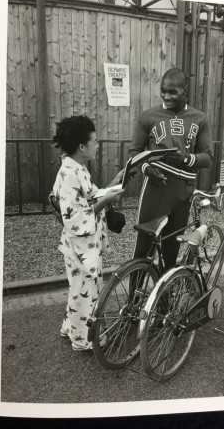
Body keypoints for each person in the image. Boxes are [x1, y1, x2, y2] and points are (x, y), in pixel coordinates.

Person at [52, 116, 124, 351]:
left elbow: (90, 195)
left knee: (80, 288)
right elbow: (76, 217)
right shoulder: (72, 173)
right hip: (79, 244)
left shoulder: (74, 168)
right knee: (85, 291)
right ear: (82, 147)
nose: (98, 145)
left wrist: (113, 184)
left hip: (81, 244)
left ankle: (70, 327)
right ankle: (83, 340)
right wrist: (106, 202)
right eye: (94, 141)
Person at [129, 67, 213, 269]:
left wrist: (187, 158)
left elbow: (208, 158)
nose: (166, 96)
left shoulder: (199, 118)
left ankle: (165, 299)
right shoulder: (148, 116)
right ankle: (134, 298)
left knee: (171, 250)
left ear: (185, 90)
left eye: (172, 92)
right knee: (143, 248)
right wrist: (147, 168)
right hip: (156, 188)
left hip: (183, 191)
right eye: (163, 91)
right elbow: (134, 153)